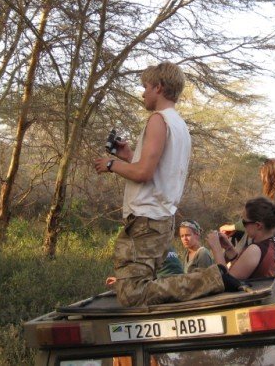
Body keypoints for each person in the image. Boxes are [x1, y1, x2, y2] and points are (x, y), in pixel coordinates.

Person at [94, 61, 228, 307]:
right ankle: (213, 279)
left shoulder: (158, 119)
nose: (143, 93)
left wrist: (111, 165)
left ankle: (214, 277)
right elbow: (155, 169)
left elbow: (144, 172)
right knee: (140, 288)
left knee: (131, 293)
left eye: (145, 87)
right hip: (161, 219)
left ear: (158, 87)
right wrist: (128, 156)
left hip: (147, 219)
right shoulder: (179, 125)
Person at [207, 197, 275, 280]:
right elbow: (245, 270)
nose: (243, 226)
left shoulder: (255, 250)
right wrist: (229, 248)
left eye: (244, 222)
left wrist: (216, 249)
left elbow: (228, 282)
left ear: (258, 225)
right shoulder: (274, 244)